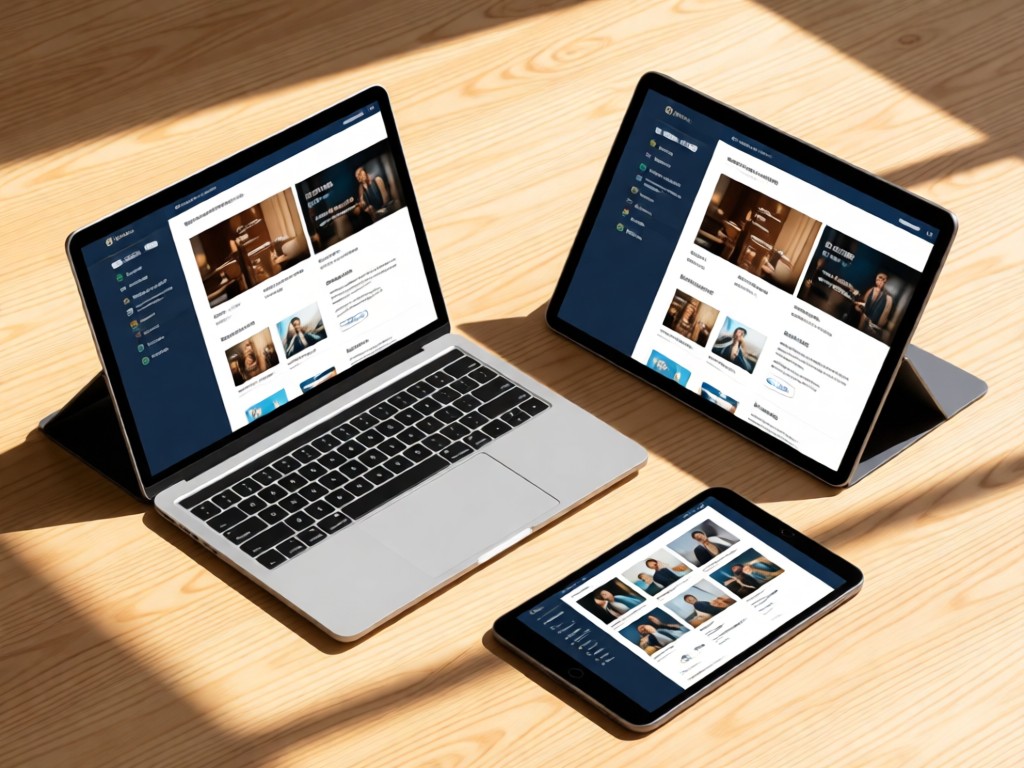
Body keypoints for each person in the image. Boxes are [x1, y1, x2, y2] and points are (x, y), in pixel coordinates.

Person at [854, 272, 893, 337]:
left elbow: (882, 321)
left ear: (886, 282)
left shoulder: (888, 299)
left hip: (873, 324)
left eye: (883, 280)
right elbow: (864, 302)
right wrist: (859, 306)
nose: (880, 282)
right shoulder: (871, 290)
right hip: (864, 317)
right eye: (878, 279)